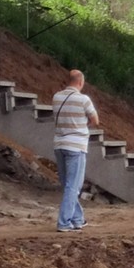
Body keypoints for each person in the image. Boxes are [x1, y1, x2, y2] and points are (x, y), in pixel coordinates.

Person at [51, 69, 99, 232]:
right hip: (76, 146)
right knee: (74, 186)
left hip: (59, 144)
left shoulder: (56, 97)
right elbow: (95, 120)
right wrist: (82, 126)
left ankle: (77, 219)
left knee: (68, 185)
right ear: (80, 82)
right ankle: (64, 222)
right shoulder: (84, 99)